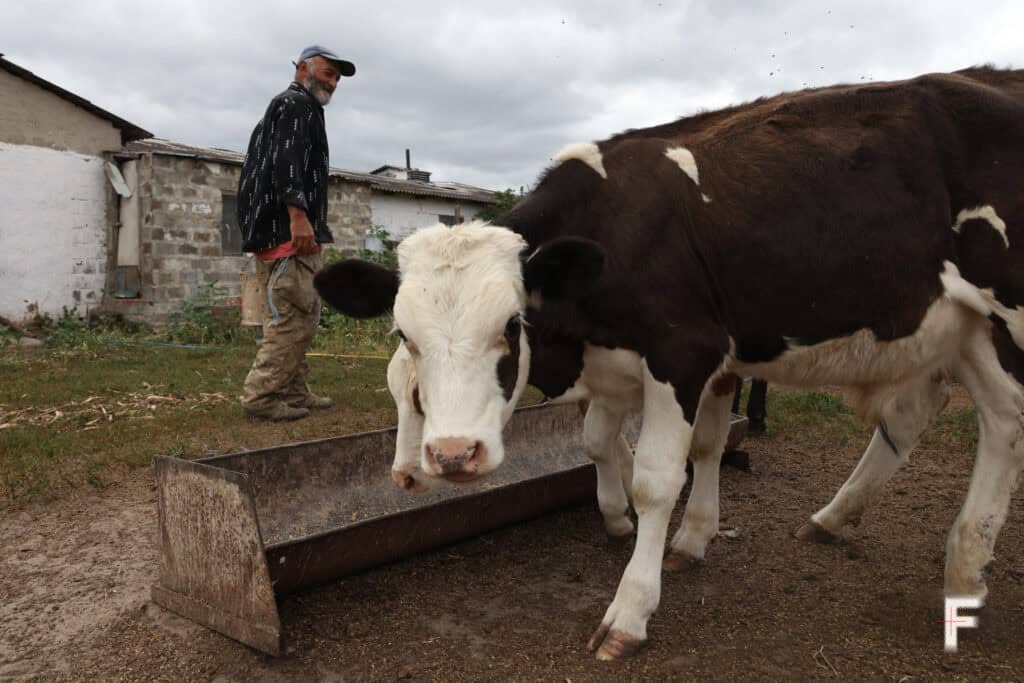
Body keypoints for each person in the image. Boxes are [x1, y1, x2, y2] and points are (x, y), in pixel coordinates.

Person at [238, 45, 356, 421]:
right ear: (304, 67)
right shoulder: (295, 104)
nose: (333, 82)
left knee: (300, 315)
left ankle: (292, 390)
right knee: (293, 317)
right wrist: (298, 216)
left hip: (280, 232)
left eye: (337, 77)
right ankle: (262, 398)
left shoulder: (297, 107)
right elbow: (286, 163)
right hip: (288, 233)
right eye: (327, 73)